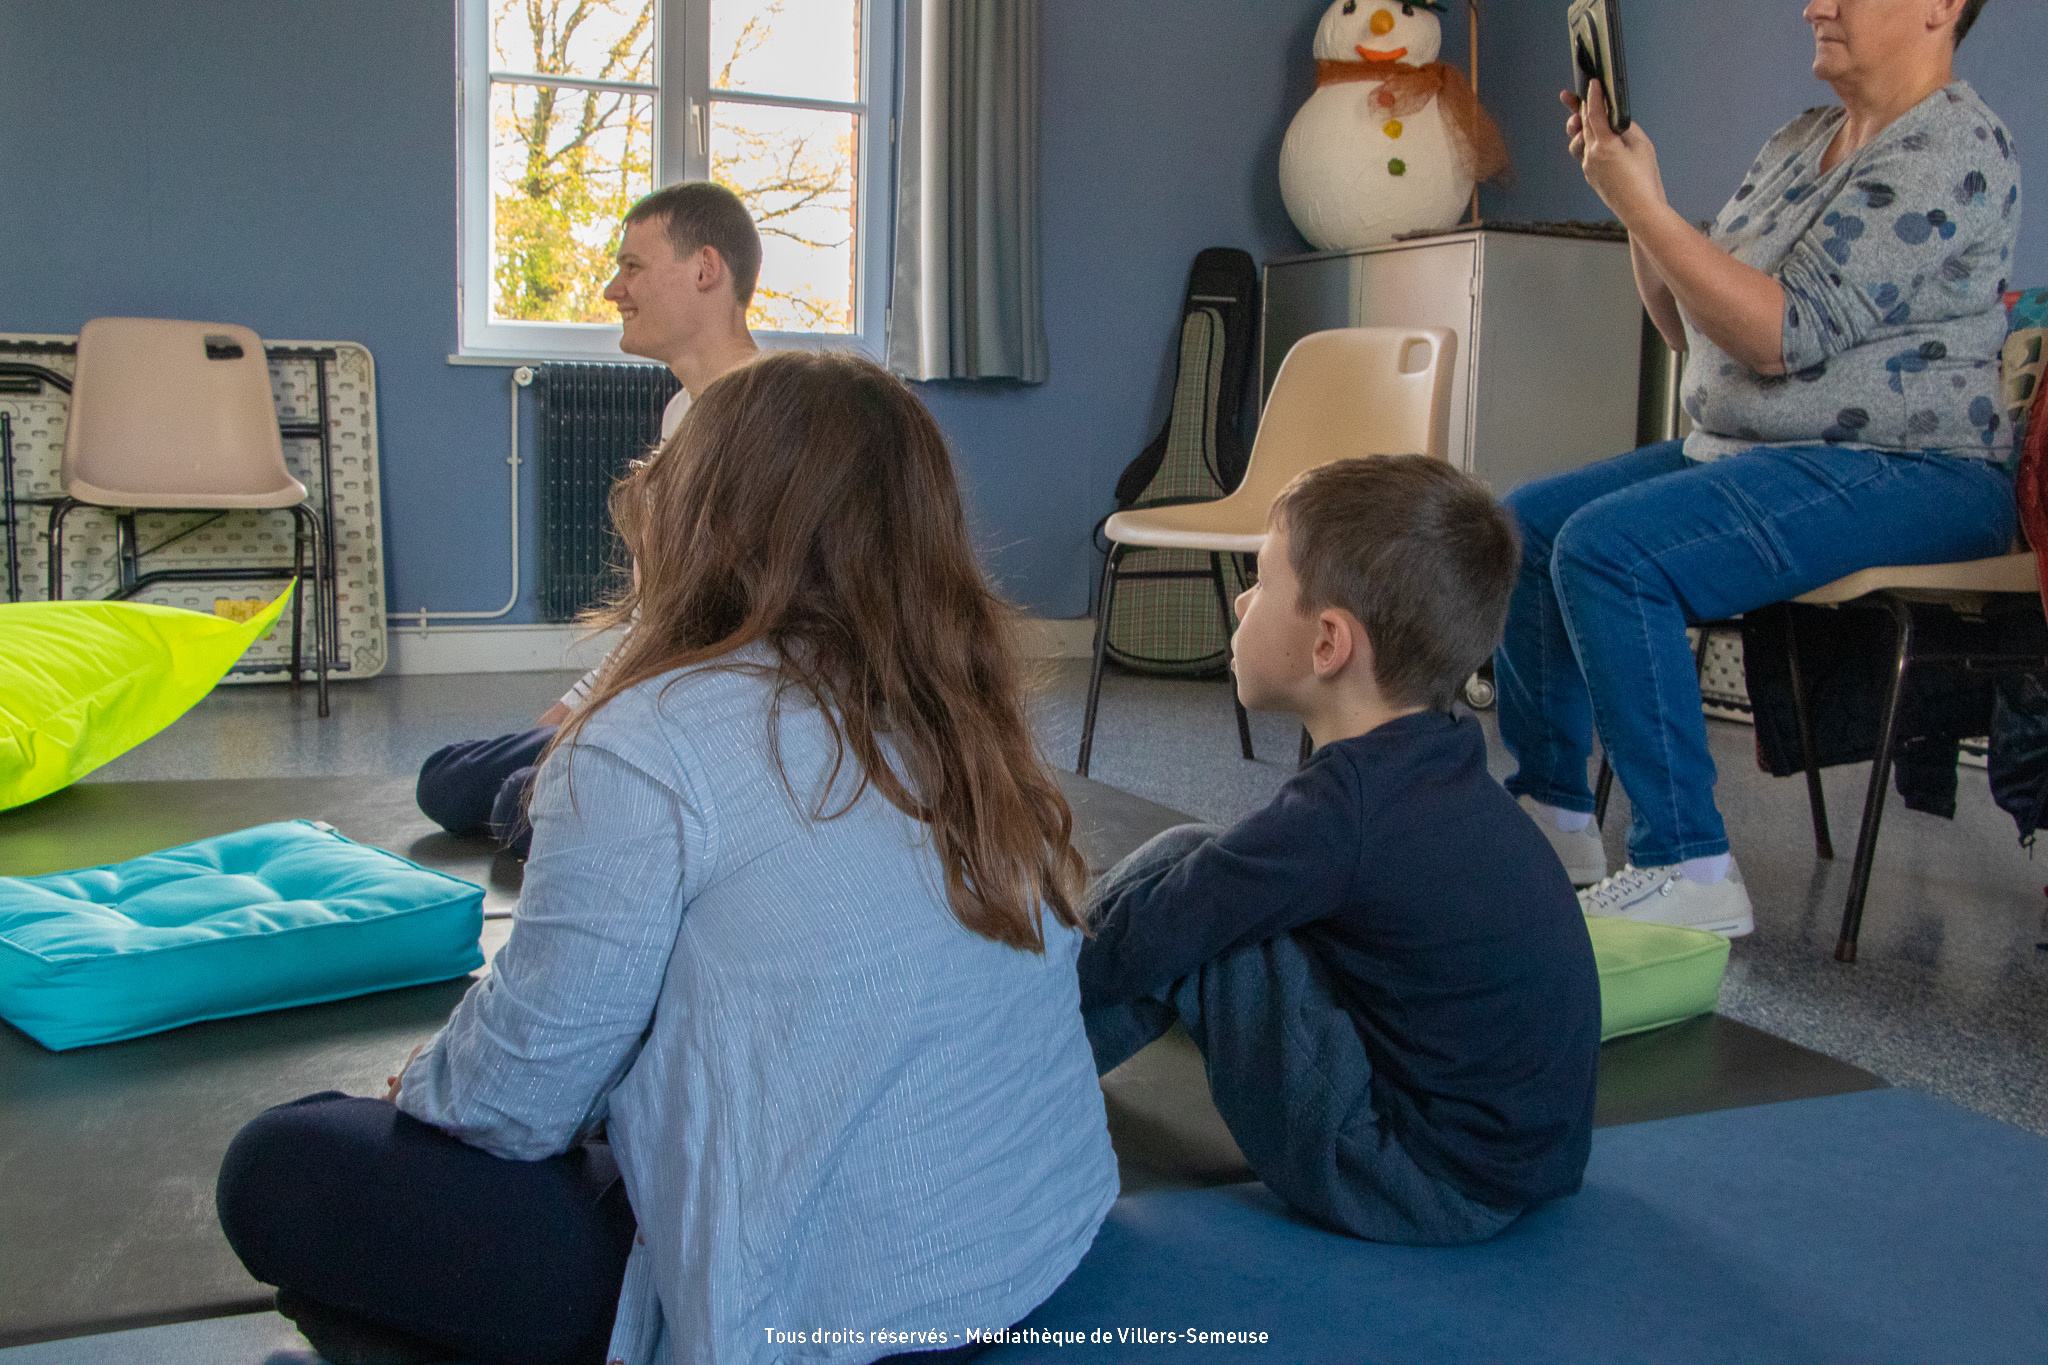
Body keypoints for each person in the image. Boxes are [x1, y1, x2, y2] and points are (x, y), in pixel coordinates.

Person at [216, 352, 1119, 1365]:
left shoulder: (650, 738)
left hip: (822, 1299)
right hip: (1027, 1244)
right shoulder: (960, 707)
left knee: (285, 1161)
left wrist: (420, 1088)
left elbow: (513, 1102)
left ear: (703, 512)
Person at [1499, 0, 2021, 934]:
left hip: (1915, 468)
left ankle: (1689, 866)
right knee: (1524, 527)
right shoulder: (1798, 140)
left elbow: (1782, 335)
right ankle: (1554, 819)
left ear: (1942, 7)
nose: (1815, 4)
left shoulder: (1954, 145)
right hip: (1760, 451)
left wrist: (1644, 206)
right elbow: (1688, 327)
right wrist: (1637, 199)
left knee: (1611, 552)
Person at [1078, 456, 1602, 1246]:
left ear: (1328, 642)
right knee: (1208, 878)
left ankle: (1006, 1057)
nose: (1241, 602)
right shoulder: (1441, 761)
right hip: (1519, 1166)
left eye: (1259, 582)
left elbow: (1161, 928)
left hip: (1416, 1181)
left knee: (1199, 910)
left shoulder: (1344, 809)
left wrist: (1042, 982)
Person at [415, 181, 764, 854]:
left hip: (712, 715)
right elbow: (656, 617)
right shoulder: (681, 412)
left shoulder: (770, 417)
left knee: (517, 808)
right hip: (650, 693)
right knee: (447, 780)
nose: (612, 290)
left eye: (633, 266)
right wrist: (573, 710)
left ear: (705, 269)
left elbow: (738, 632)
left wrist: (608, 727)